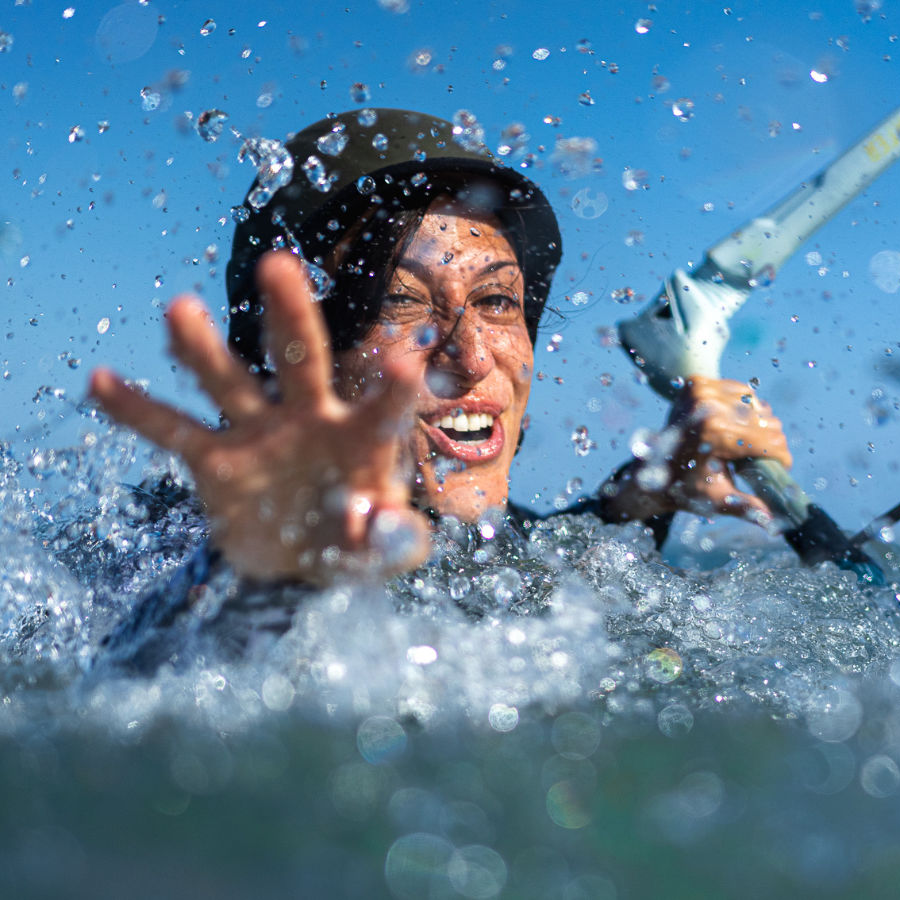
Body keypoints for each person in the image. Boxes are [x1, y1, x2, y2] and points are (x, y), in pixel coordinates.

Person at [89, 109, 793, 665]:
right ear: (288, 362)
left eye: (496, 301)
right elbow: (117, 696)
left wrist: (649, 491)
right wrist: (274, 579)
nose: (472, 354)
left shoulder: (485, 551)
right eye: (402, 302)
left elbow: (545, 565)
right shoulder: (166, 543)